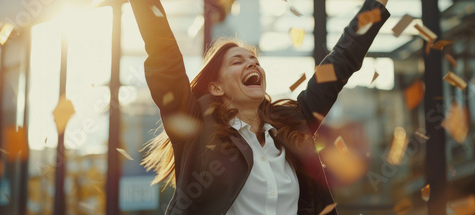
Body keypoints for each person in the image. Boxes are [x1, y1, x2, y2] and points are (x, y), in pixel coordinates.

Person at [129, 0, 389, 214]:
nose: (252, 64)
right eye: (237, 62)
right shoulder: (196, 128)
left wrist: (375, 6)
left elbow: (341, 62)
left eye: (254, 60)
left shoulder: (294, 122)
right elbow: (165, 57)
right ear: (216, 88)